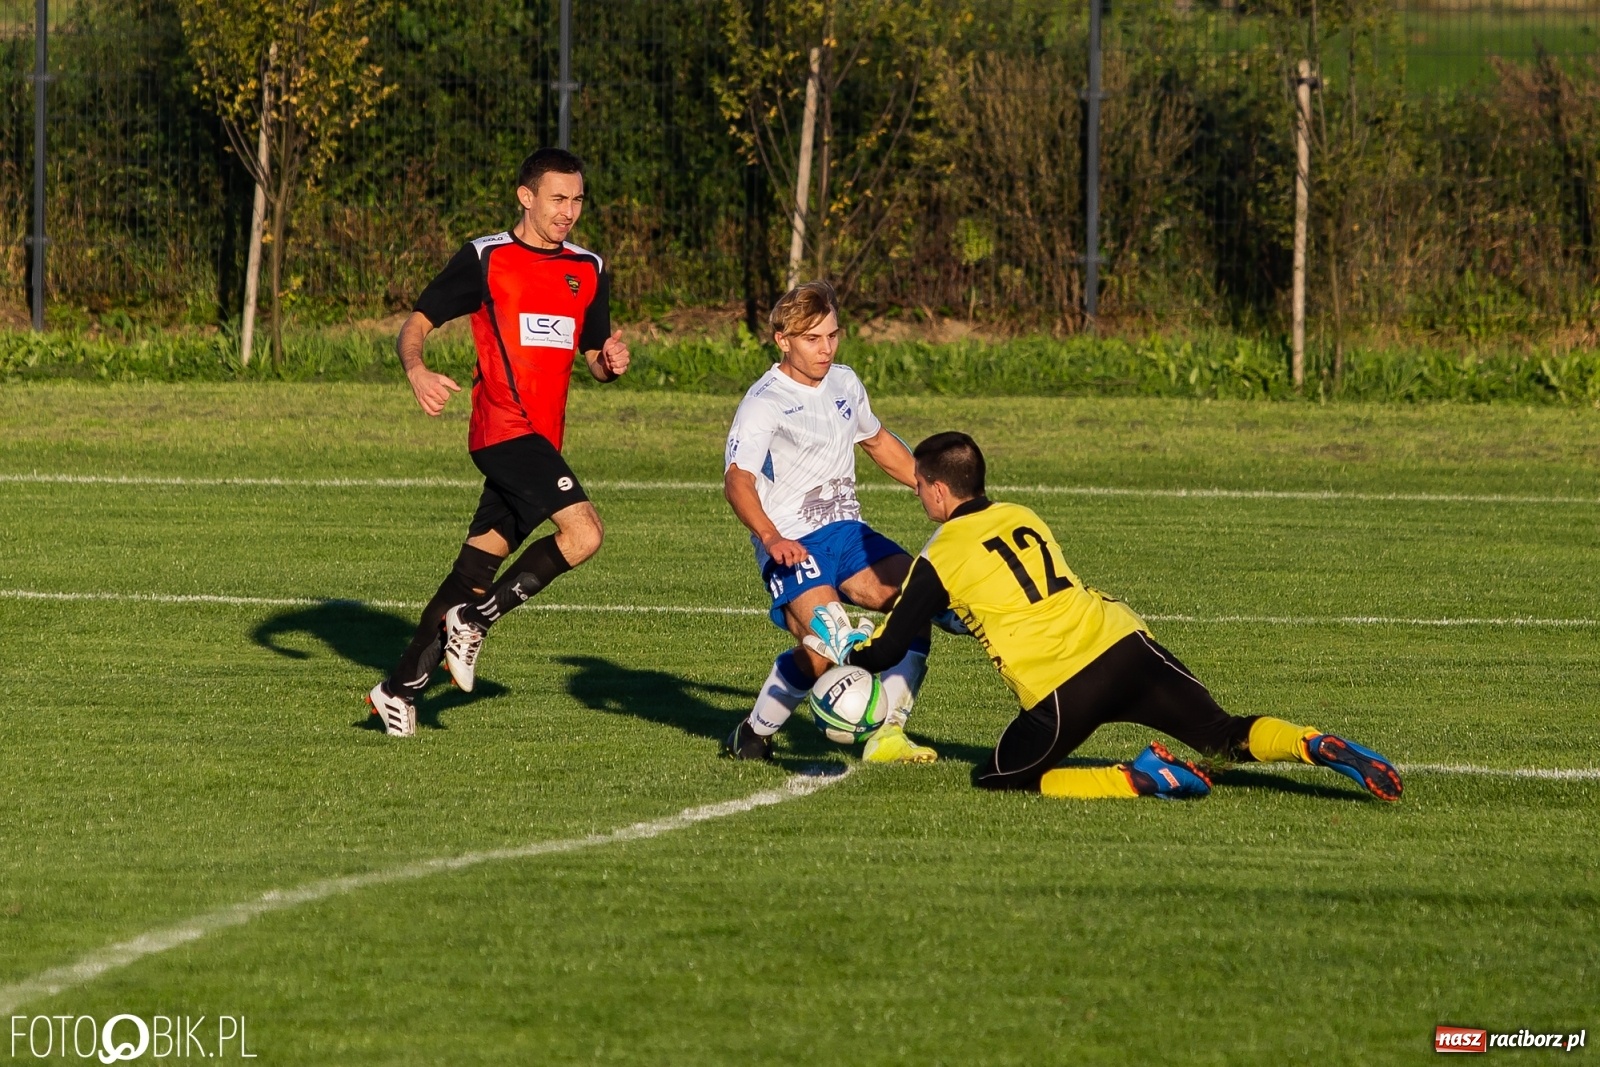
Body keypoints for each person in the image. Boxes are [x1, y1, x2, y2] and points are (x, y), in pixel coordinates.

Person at [805, 431, 1404, 801]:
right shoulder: (1024, 514)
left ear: (936, 490)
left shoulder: (941, 554)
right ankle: (1314, 743)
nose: (919, 499)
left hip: (1064, 684)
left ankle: (1141, 779)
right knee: (1224, 735)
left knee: (998, 779)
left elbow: (887, 651)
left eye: (918, 489)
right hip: (1126, 641)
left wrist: (846, 652)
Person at [365, 147, 631, 737]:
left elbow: (593, 355)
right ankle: (477, 621)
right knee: (585, 533)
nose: (569, 212)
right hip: (502, 431)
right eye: (557, 199)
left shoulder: (588, 267)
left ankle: (397, 689)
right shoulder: (486, 258)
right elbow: (416, 325)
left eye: (577, 199)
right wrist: (416, 369)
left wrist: (610, 361)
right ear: (526, 196)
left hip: (544, 440)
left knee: (474, 567)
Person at [721, 281, 938, 764]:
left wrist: (933, 489)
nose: (826, 349)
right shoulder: (764, 403)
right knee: (828, 644)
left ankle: (889, 734)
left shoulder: (845, 382)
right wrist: (771, 536)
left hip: (848, 534)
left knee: (919, 599)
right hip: (793, 542)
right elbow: (737, 482)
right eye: (812, 339)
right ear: (783, 339)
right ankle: (753, 735)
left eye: (833, 336)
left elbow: (879, 442)